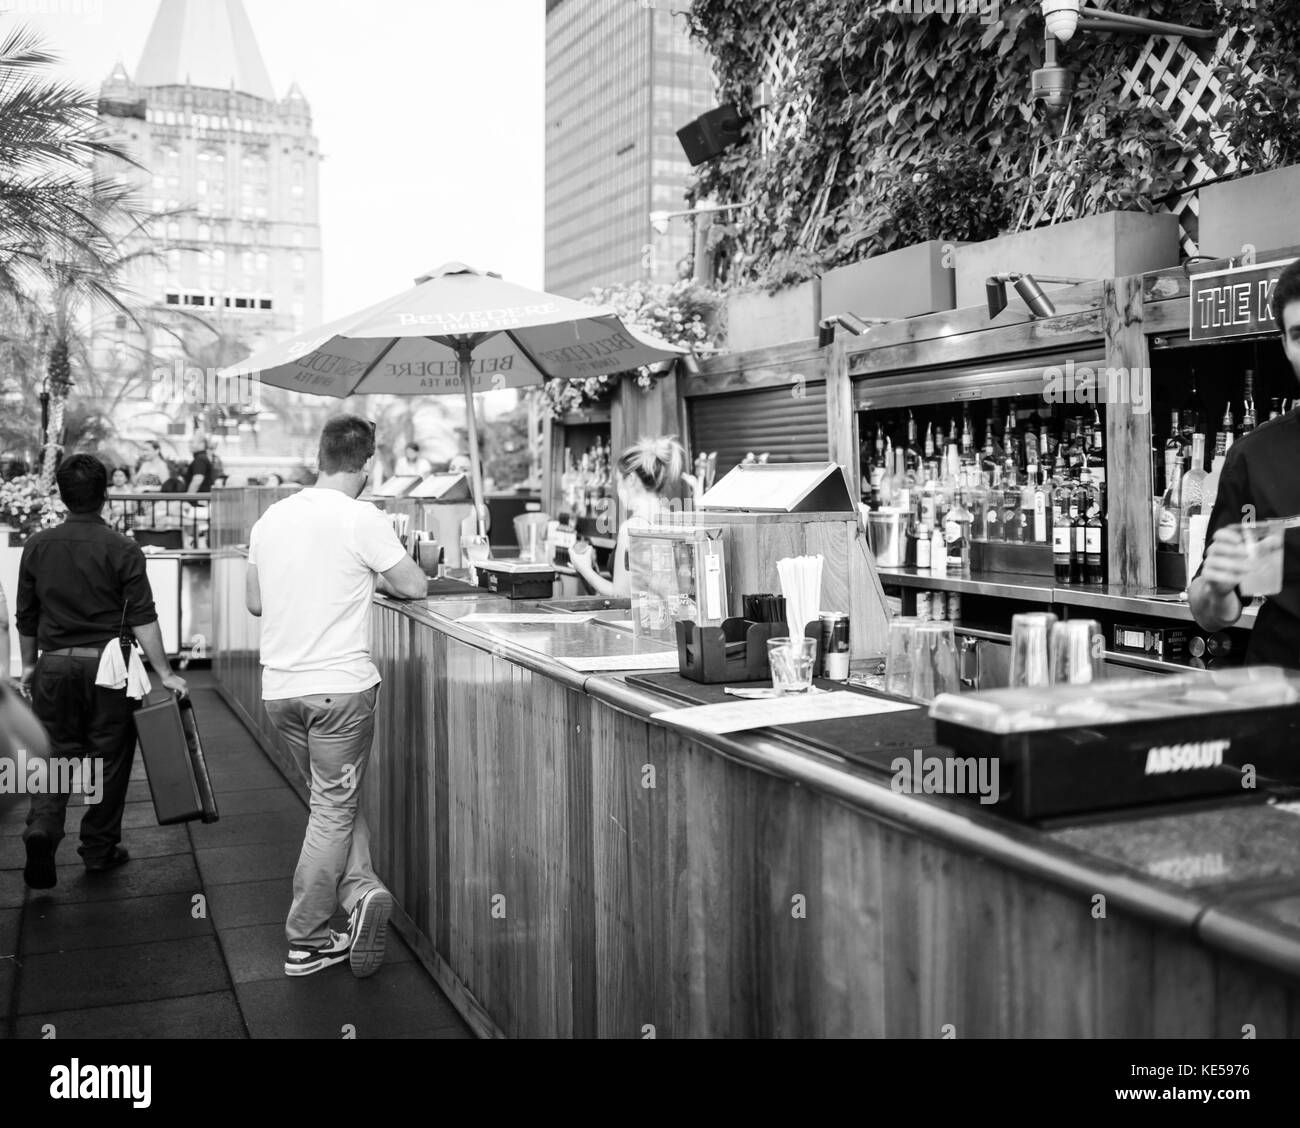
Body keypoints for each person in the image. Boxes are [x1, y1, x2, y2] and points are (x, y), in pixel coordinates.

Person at [246, 414, 427, 978]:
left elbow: (255, 603)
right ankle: (306, 939)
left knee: (332, 802)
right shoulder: (361, 517)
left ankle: (362, 893)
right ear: (368, 462)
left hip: (281, 693)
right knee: (331, 810)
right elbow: (416, 585)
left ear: (319, 457)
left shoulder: (272, 517)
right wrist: (364, 575)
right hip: (339, 695)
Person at [15, 454, 188, 888]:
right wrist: (164, 672)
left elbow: (27, 616)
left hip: (55, 664)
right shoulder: (122, 548)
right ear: (105, 494)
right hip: (109, 669)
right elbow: (144, 617)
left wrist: (30, 667)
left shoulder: (38, 545)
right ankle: (98, 849)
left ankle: (43, 827)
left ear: (60, 494)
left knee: (55, 753)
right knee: (109, 758)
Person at [1191, 258, 1300, 666]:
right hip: (1281, 704)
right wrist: (1214, 588)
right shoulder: (1256, 458)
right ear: (1286, 346)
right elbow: (1213, 613)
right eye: (1299, 335)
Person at [569, 436, 702, 598]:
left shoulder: (632, 528)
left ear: (631, 479)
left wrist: (583, 567)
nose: (618, 490)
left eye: (618, 481)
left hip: (638, 622)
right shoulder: (675, 521)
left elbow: (621, 595)